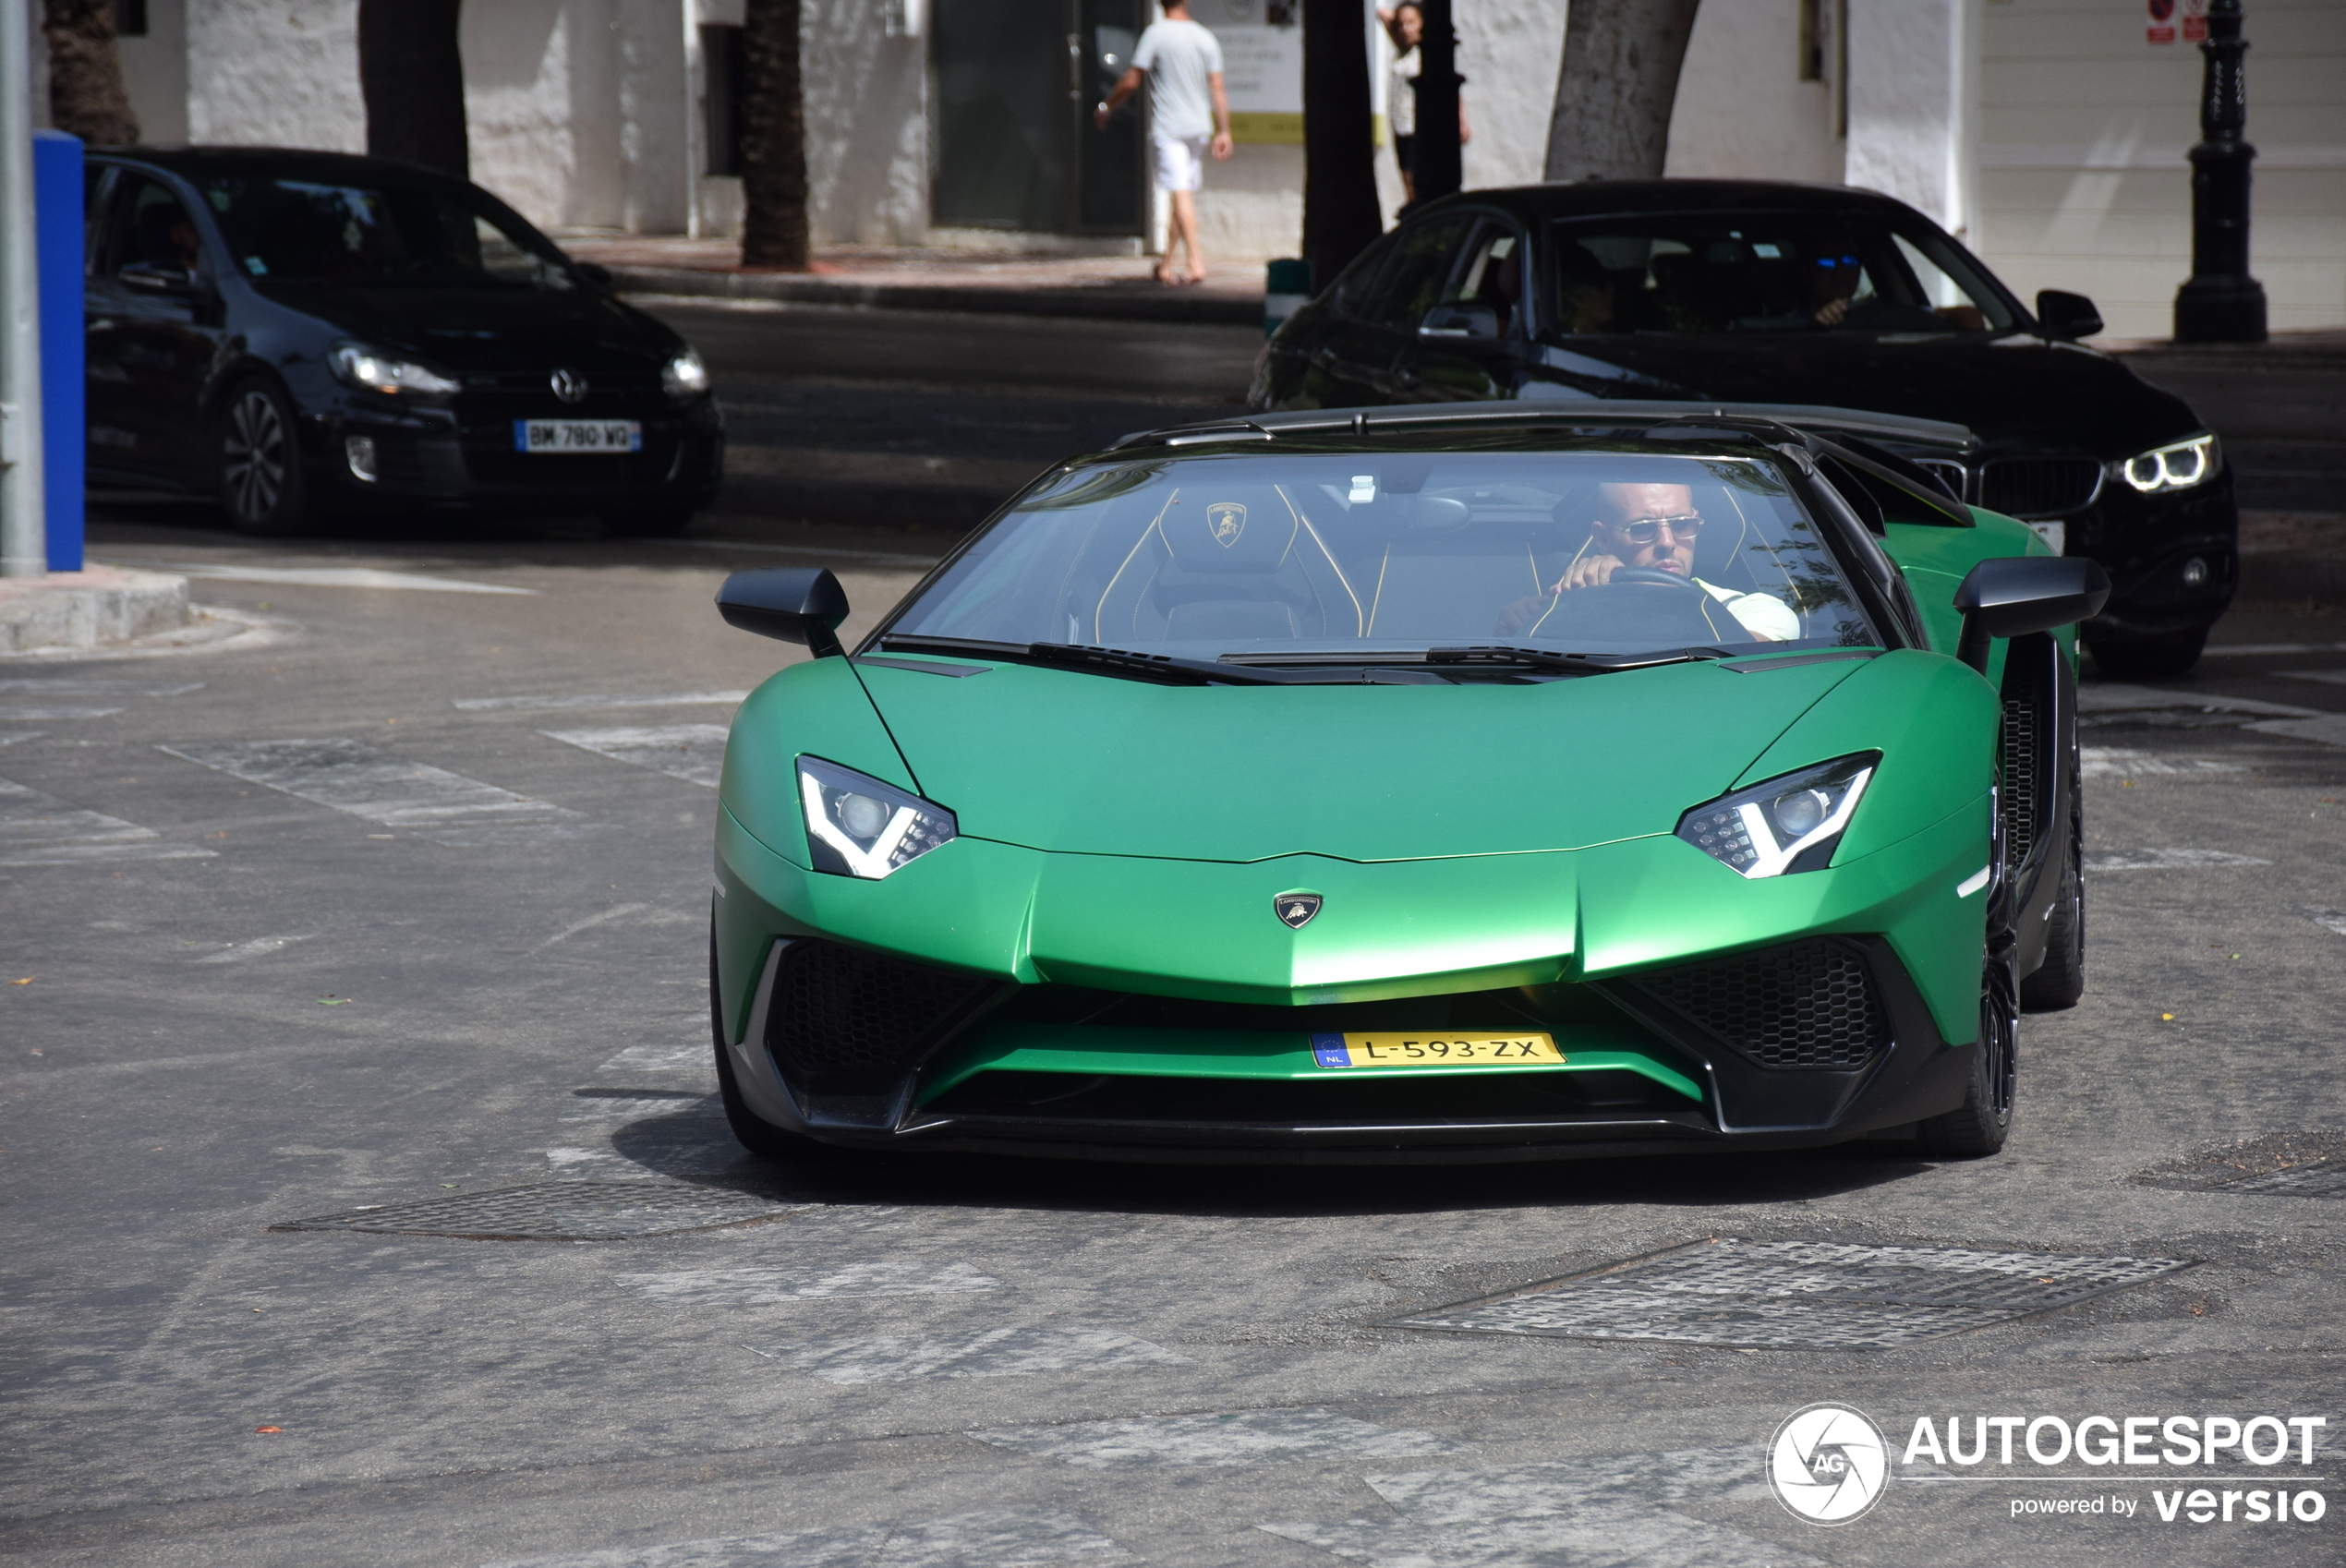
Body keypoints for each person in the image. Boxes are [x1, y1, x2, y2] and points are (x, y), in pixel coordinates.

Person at [1501, 482, 1801, 642]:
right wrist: (1555, 611)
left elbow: (1740, 665)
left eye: (1682, 524)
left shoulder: (1754, 611)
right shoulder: (1555, 609)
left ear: (1697, 523)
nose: (1667, 542)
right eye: (1643, 528)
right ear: (1602, 538)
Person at [1095, 0, 1232, 286]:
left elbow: (1132, 79)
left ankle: (1195, 262)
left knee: (1180, 193)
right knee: (1180, 196)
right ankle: (1167, 264)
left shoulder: (1155, 34)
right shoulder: (1204, 36)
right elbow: (1217, 86)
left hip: (1169, 128)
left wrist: (1107, 106)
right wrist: (1224, 130)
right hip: (1198, 128)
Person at [1379, 4, 1470, 202]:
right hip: (1400, 127)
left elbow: (1453, 90)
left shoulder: (1424, 55)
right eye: (1402, 24)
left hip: (1417, 128)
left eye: (1412, 23)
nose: (1406, 28)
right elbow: (1383, 14)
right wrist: (1402, 20)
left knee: (1417, 185)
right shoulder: (1402, 50)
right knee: (1407, 184)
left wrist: (1461, 120)